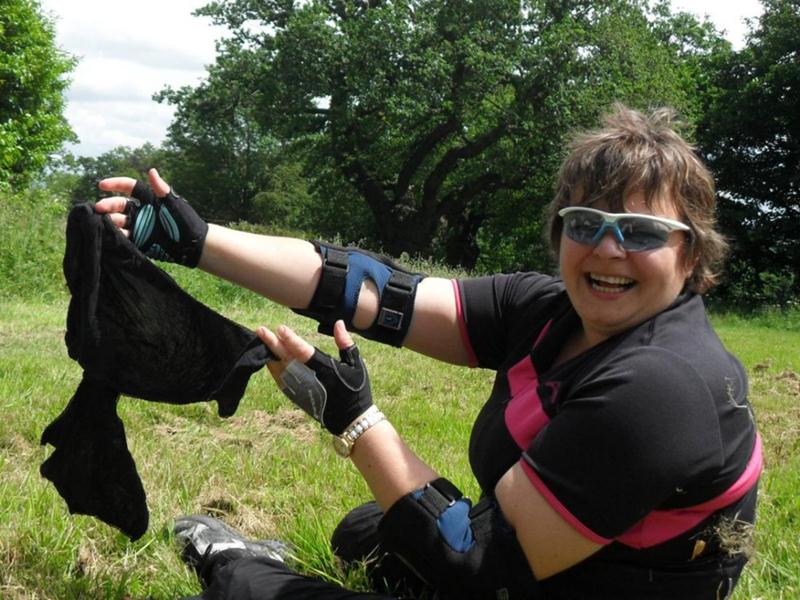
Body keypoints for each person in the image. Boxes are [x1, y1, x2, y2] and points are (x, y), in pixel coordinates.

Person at [95, 105, 760, 599]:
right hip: (548, 565)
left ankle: (235, 561)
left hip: (530, 580)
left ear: (692, 252)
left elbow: (472, 564)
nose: (609, 250)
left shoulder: (660, 388)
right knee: (367, 531)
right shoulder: (550, 310)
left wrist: (354, 420)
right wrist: (199, 241)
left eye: (641, 232)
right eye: (586, 225)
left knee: (262, 589)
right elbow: (376, 291)